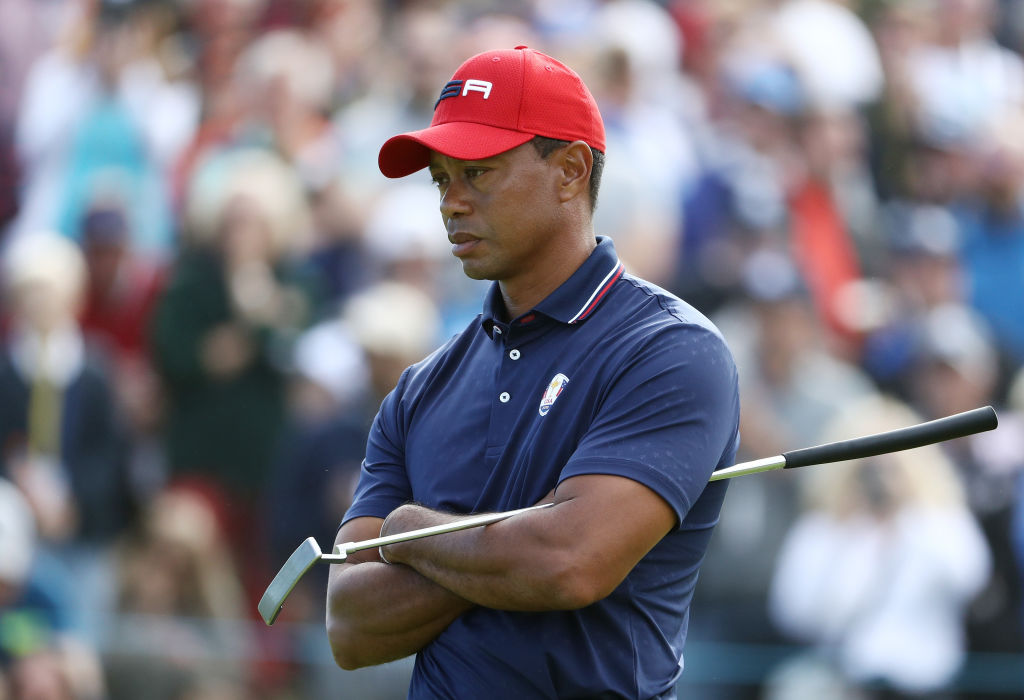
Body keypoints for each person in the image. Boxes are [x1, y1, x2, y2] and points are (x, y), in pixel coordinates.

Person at [325, 46, 741, 699]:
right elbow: (350, 623)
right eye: (441, 178)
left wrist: (408, 532)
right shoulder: (419, 389)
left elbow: (567, 564)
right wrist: (521, 533)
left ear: (571, 170)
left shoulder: (670, 350)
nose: (451, 203)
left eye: (479, 173)